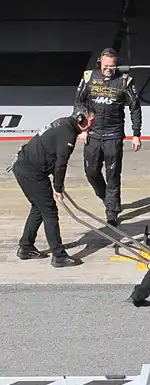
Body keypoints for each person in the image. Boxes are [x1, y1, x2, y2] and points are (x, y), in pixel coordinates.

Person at [11, 106, 96, 267]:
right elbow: (60, 164)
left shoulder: (65, 124)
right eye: (91, 121)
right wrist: (58, 188)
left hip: (25, 166)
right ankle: (58, 255)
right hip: (31, 171)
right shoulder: (68, 134)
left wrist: (58, 185)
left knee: (39, 207)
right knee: (50, 210)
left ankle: (26, 247)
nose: (93, 124)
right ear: (81, 119)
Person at [75, 47, 143, 226]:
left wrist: (136, 134)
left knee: (113, 175)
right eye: (106, 66)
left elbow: (135, 108)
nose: (109, 69)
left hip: (114, 135)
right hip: (93, 134)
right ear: (100, 63)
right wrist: (82, 129)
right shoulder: (89, 77)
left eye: (112, 66)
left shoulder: (125, 81)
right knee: (91, 173)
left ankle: (111, 212)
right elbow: (79, 103)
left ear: (117, 65)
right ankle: (107, 199)